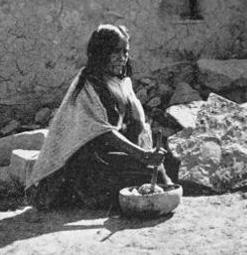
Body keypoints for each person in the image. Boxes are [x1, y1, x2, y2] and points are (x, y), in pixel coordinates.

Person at [27, 24, 180, 211]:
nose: (122, 58)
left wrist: (147, 151)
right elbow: (100, 131)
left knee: (165, 164)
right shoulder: (87, 85)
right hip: (87, 163)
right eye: (116, 52)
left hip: (110, 156)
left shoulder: (122, 83)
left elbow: (136, 124)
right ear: (101, 52)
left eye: (126, 52)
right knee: (150, 174)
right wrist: (142, 155)